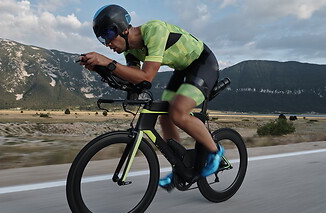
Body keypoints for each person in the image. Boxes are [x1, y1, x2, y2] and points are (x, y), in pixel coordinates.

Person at [80, 4, 224, 191]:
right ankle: (181, 166)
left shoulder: (154, 30)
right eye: (101, 39)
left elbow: (147, 77)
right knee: (164, 116)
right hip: (182, 70)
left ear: (122, 29)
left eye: (107, 35)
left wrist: (107, 61)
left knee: (178, 113)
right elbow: (133, 76)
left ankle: (215, 152)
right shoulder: (129, 50)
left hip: (202, 63)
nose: (106, 44)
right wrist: (102, 68)